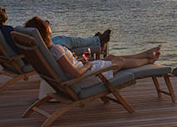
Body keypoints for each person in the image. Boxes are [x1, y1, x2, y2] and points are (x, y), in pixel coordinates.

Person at [24, 16, 160, 81]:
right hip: (87, 77)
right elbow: (75, 74)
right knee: (120, 62)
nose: (49, 24)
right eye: (45, 24)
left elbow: (68, 68)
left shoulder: (45, 50)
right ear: (45, 31)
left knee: (112, 57)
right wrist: (87, 65)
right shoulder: (56, 50)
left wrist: (80, 64)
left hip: (83, 71)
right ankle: (148, 60)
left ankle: (145, 54)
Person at [0, 5, 110, 55]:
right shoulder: (7, 30)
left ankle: (97, 41)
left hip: (36, 50)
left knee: (66, 39)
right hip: (40, 53)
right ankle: (98, 43)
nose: (5, 11)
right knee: (70, 41)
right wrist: (43, 30)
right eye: (3, 10)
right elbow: (26, 41)